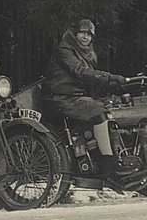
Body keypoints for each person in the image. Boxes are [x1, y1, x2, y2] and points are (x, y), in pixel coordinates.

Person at [43, 18, 130, 178]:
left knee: (107, 110)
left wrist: (115, 86)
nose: (86, 37)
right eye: (83, 33)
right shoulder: (65, 49)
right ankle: (108, 165)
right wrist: (110, 76)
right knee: (100, 113)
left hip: (73, 98)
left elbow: (91, 80)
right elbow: (80, 72)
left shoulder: (85, 53)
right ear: (75, 33)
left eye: (89, 35)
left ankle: (104, 157)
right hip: (60, 99)